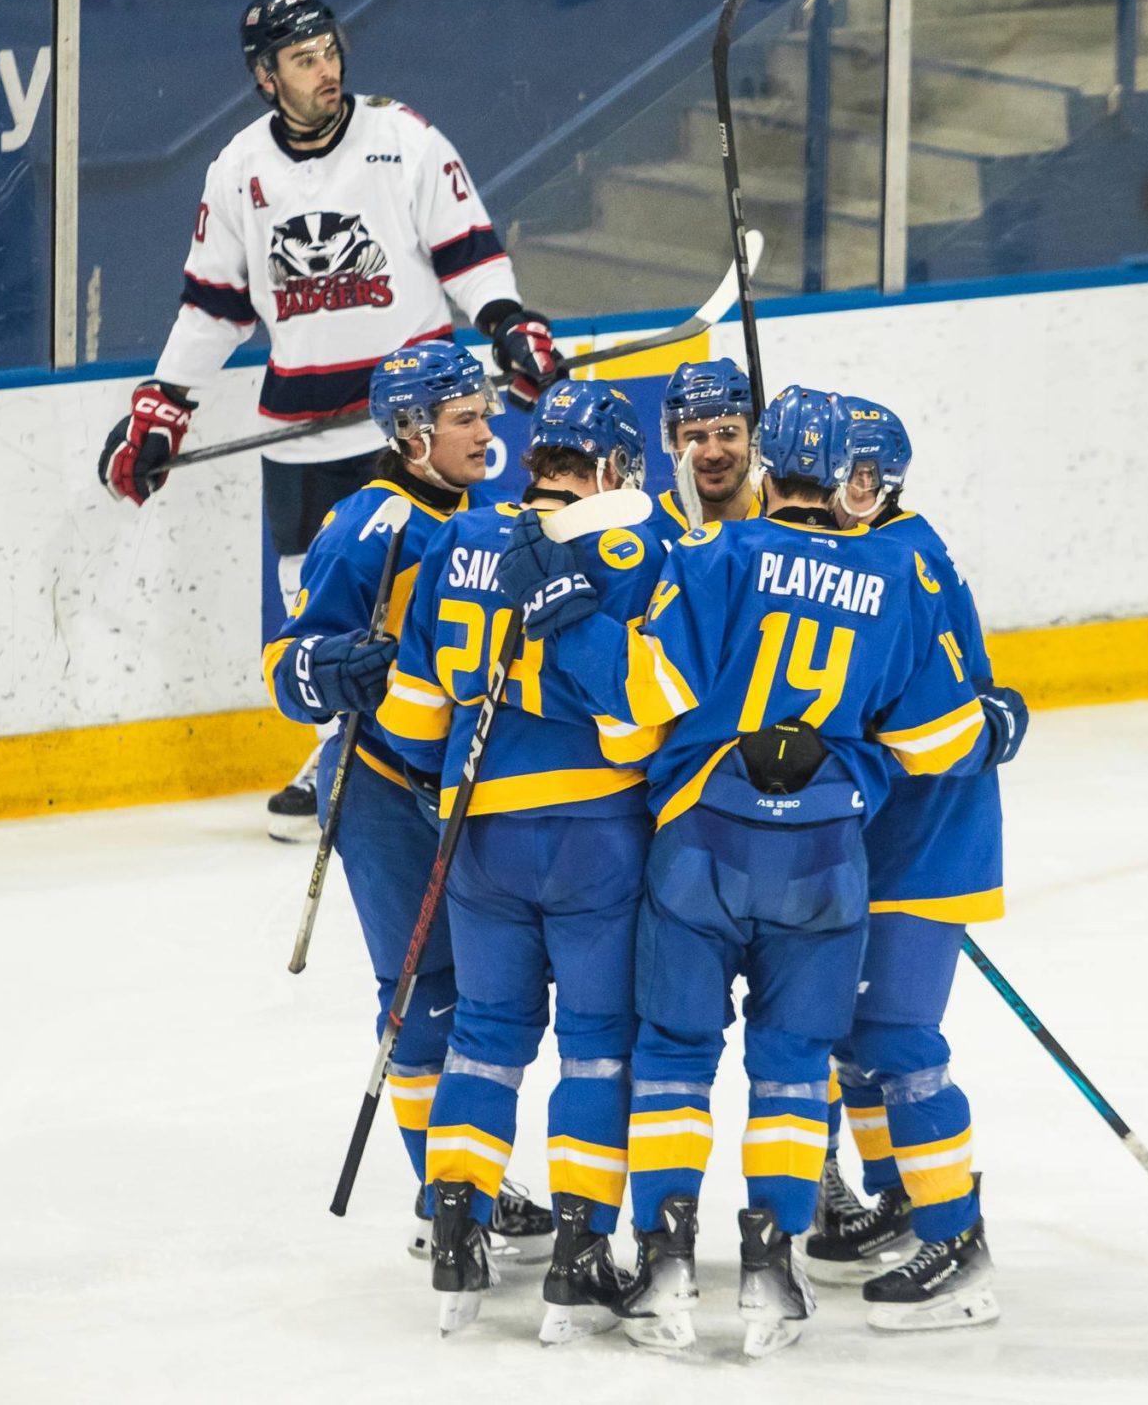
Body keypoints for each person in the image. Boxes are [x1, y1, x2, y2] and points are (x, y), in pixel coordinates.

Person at [544, 386, 999, 1358]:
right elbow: (939, 733)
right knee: (800, 1064)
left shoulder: (713, 555)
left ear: (762, 458)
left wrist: (570, 628)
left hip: (704, 846)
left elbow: (636, 710)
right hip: (834, 854)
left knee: (677, 1053)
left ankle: (668, 1259)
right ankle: (770, 1268)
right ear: (854, 477)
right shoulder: (895, 565)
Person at [99, 0, 561, 837]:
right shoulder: (237, 169)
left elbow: (470, 255)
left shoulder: (404, 139)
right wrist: (163, 406)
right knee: (318, 601)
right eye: (304, 60)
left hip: (414, 426)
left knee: (440, 585)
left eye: (330, 51)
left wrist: (507, 323)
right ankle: (340, 745)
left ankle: (459, 740)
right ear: (265, 78)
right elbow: (214, 306)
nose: (328, 70)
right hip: (301, 427)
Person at [374, 378, 667, 1340]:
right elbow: (634, 727)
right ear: (614, 467)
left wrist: (448, 776)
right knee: (595, 1044)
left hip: (476, 839)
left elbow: (414, 718)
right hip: (592, 838)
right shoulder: (627, 541)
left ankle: (457, 1231)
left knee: (487, 1034)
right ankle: (580, 1251)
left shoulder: (458, 537)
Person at [258, 341, 548, 1259]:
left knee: (485, 988)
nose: (486, 428)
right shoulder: (366, 526)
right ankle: (446, 1194)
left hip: (462, 786)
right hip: (382, 789)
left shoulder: (487, 513)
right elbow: (286, 663)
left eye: (485, 411)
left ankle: (464, 1175)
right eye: (464, 417)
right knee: (426, 991)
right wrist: (328, 669)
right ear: (412, 432)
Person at [803, 397, 1025, 1331]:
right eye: (832, 474)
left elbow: (937, 734)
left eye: (860, 477)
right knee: (855, 1042)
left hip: (928, 844)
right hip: (877, 838)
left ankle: (957, 1238)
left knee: (896, 1040)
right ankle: (900, 1197)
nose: (844, 492)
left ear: (887, 481)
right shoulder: (867, 552)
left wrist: (990, 724)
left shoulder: (903, 559)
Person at [653, 356, 764, 533]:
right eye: (695, 438)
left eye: (728, 434)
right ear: (673, 443)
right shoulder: (645, 533)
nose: (713, 454)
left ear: (753, 437)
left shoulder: (783, 520)